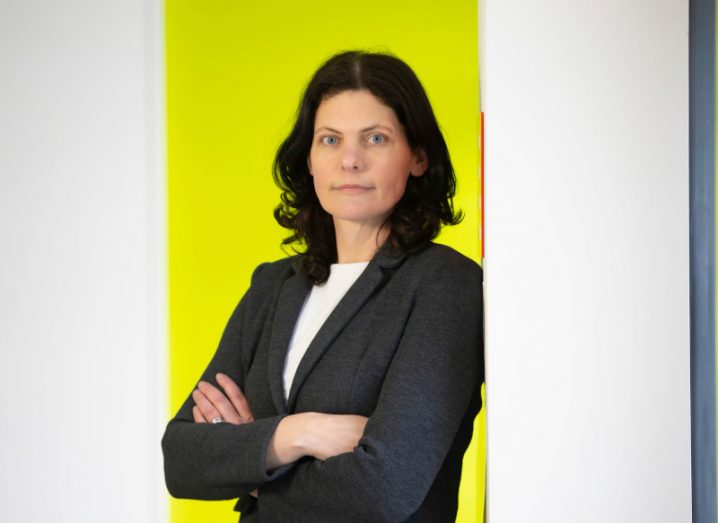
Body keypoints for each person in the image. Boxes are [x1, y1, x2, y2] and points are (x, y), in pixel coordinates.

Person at [162, 50, 484, 523]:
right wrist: (298, 433)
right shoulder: (272, 288)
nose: (349, 160)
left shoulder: (446, 286)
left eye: (375, 138)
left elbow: (384, 489)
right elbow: (181, 460)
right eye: (330, 139)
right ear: (309, 160)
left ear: (417, 157)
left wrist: (252, 467)